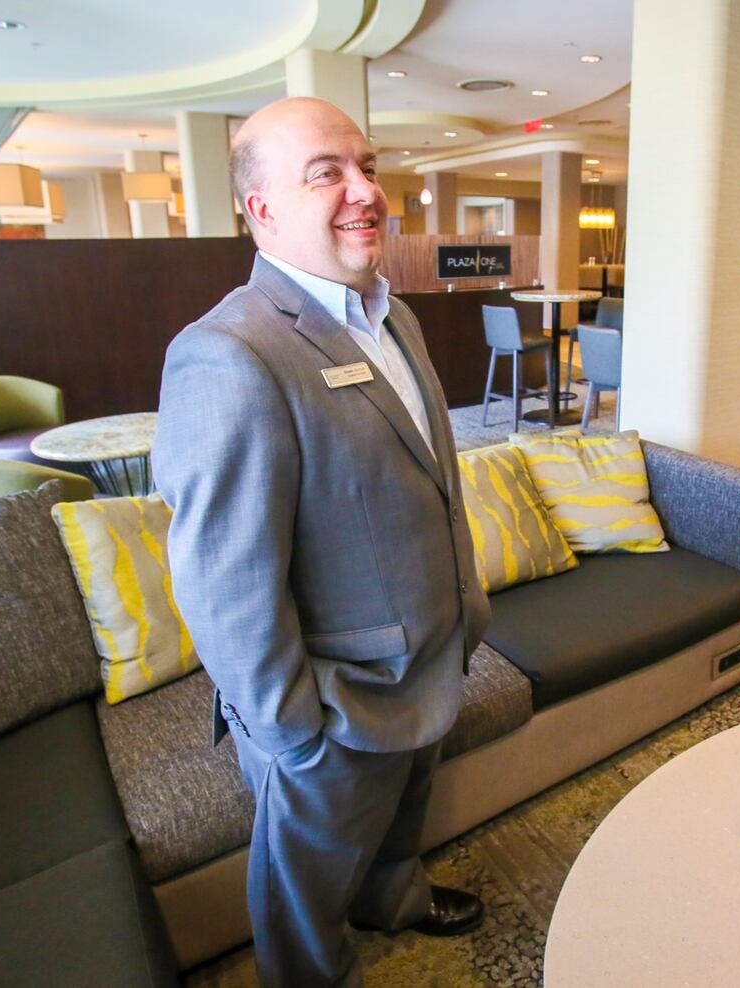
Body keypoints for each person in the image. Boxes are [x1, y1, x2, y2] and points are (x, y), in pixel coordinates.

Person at [152, 96, 491, 987]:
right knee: (303, 889)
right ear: (261, 209)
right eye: (326, 173)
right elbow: (225, 582)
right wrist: (294, 735)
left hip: (428, 658)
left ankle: (394, 899)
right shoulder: (230, 354)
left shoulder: (392, 315)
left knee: (396, 830)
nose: (363, 190)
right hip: (334, 706)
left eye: (367, 166)